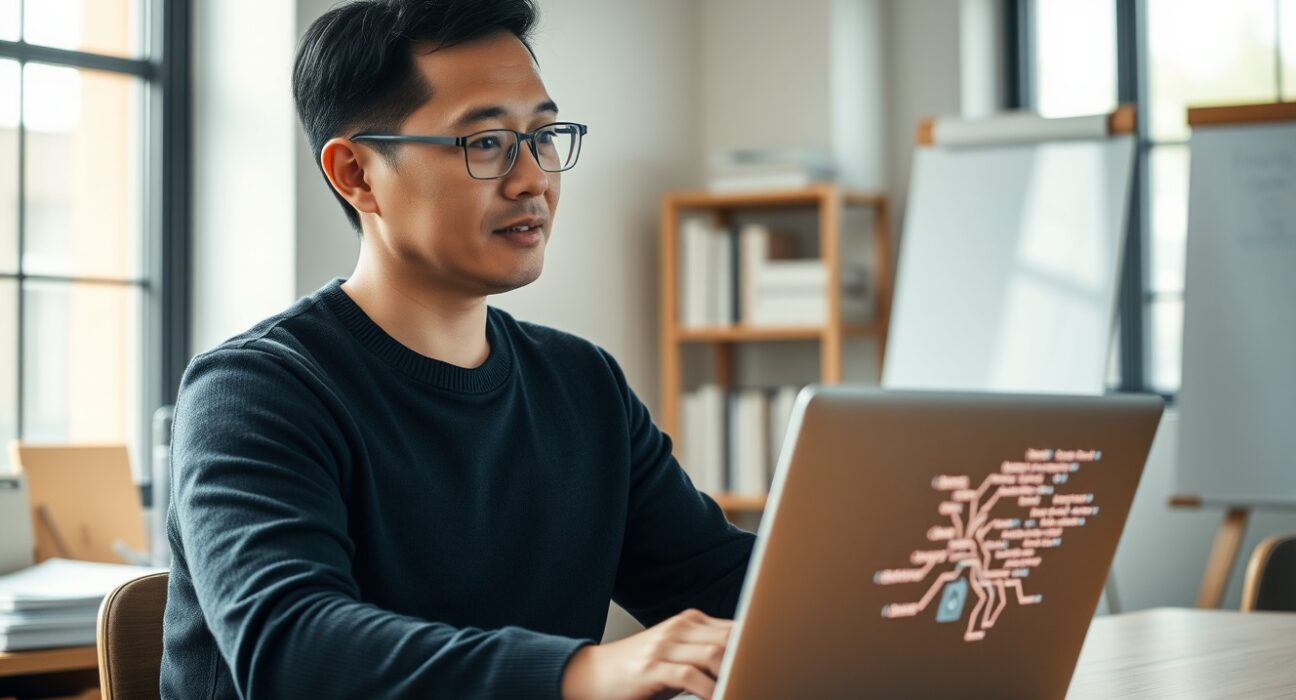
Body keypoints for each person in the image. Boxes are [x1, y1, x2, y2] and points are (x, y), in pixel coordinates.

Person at [159, 1, 755, 698]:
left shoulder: (582, 385)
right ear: (355, 173)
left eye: (544, 135)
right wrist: (585, 672)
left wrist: (902, 585)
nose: (533, 179)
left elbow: (729, 584)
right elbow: (294, 648)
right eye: (487, 143)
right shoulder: (253, 392)